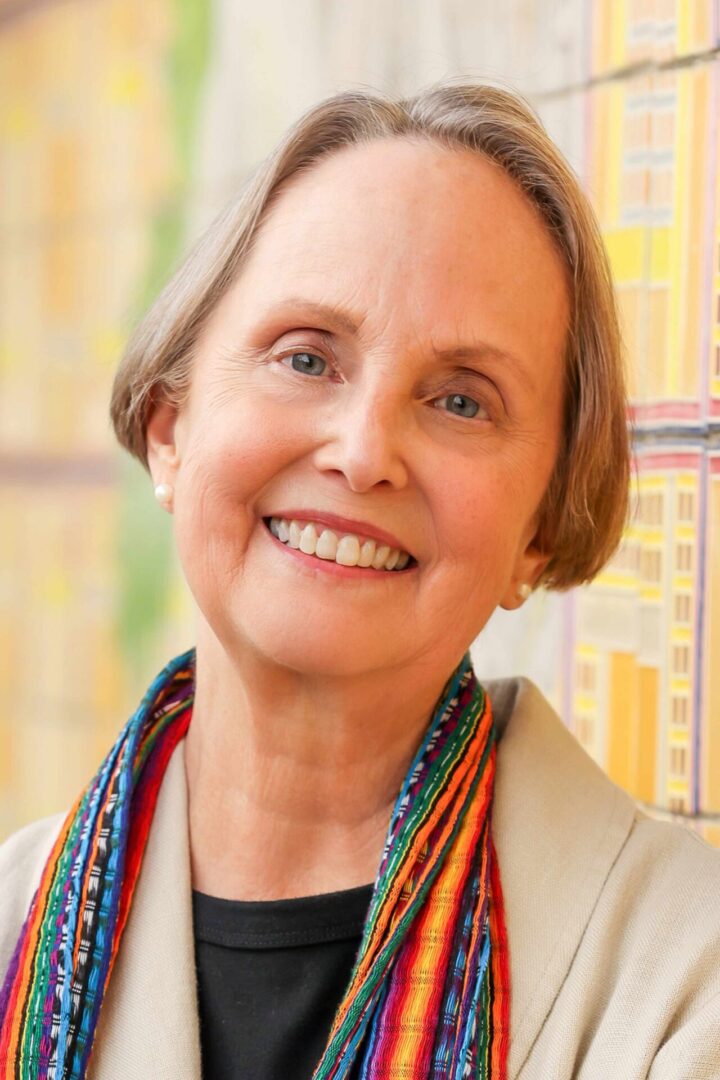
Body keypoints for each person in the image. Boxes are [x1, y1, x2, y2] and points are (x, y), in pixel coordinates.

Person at [1, 79, 719, 1080]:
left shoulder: (689, 982)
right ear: (172, 429)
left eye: (462, 400)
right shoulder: (8, 930)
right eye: (305, 358)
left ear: (541, 533)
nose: (364, 448)